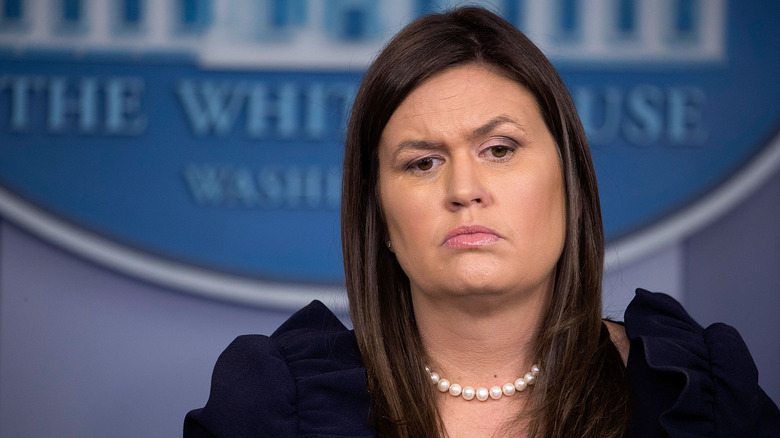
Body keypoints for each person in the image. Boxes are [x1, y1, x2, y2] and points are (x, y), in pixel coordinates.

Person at [184, 6, 780, 437]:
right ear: (381, 219)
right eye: (422, 162)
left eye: (499, 149)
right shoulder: (275, 408)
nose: (464, 190)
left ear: (569, 182)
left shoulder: (699, 396)